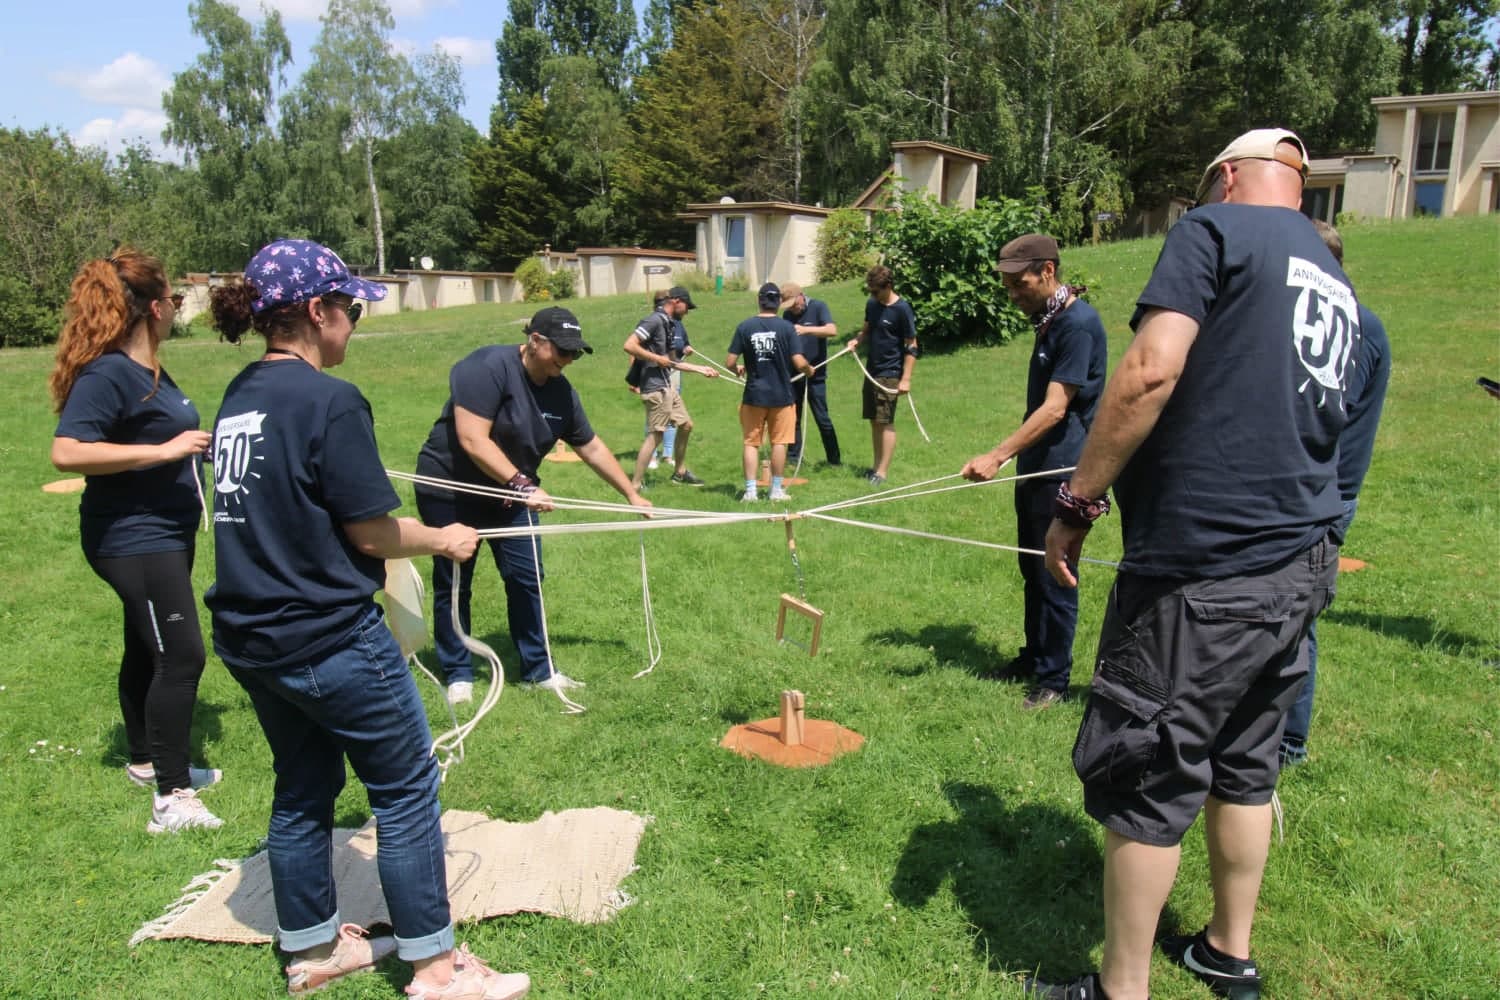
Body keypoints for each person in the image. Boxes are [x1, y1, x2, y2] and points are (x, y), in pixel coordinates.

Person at [1035, 129, 1354, 1000]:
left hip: (1204, 570)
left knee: (1147, 768)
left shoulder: (1213, 230)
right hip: (1299, 563)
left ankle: (1120, 988)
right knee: (1246, 762)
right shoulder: (1337, 282)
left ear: (1223, 177)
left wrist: (1077, 501)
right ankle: (1226, 949)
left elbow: (1146, 372)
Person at [206, 239, 529, 999]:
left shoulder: (240, 393)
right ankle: (435, 966)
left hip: (252, 639)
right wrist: (444, 536)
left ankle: (313, 949)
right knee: (407, 787)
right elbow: (374, 534)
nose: (355, 322)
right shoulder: (330, 400)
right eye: (349, 309)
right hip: (327, 636)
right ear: (316, 313)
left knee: (302, 786)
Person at [48, 247, 223, 835]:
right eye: (173, 298)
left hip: (162, 530)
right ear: (154, 307)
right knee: (182, 656)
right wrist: (166, 450)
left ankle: (149, 762)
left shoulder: (149, 370)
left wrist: (194, 445)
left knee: (145, 648)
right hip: (132, 537)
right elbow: (68, 450)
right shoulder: (108, 373)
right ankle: (172, 800)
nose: (176, 307)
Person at [417, 307, 652, 703]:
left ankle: (538, 670)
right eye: (563, 350)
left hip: (510, 496)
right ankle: (458, 672)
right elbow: (473, 439)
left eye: (576, 353)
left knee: (527, 578)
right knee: (456, 581)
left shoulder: (561, 391)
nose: (569, 359)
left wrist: (630, 493)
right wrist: (523, 485)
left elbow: (590, 446)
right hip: (452, 489)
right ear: (535, 340)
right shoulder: (486, 367)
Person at [961, 233, 1107, 711]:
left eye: (1019, 283)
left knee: (1054, 571)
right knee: (1031, 565)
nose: (1012, 294)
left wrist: (997, 454)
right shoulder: (1050, 320)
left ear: (1047, 271)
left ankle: (1054, 679)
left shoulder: (1077, 326)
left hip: (1064, 470)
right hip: (1037, 468)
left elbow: (1055, 410)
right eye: (1007, 285)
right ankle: (1034, 656)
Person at [1280, 219, 1391, 767]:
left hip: (1324, 496)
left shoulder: (1355, 327)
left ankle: (1289, 742)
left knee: (1297, 615)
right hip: (1306, 490)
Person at [726, 283, 813, 502]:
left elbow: (730, 362)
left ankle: (750, 491)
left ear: (759, 300)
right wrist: (808, 370)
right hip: (782, 395)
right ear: (778, 303)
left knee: (751, 443)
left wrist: (737, 369)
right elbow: (798, 361)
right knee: (779, 443)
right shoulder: (787, 328)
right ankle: (775, 491)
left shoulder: (744, 326)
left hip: (754, 394)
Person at [625, 286, 718, 490]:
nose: (687, 311)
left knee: (686, 425)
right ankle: (635, 485)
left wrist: (701, 369)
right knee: (656, 435)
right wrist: (657, 358)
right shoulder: (654, 320)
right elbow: (630, 345)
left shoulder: (668, 324)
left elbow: (673, 362)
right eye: (686, 306)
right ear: (675, 301)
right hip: (655, 388)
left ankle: (680, 472)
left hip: (667, 386)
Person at [847, 265, 917, 486]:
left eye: (876, 291)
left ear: (888, 286)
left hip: (890, 372)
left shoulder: (902, 309)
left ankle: (883, 472)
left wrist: (906, 378)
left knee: (885, 421)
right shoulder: (872, 305)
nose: (873, 295)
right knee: (874, 421)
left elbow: (912, 345)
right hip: (872, 369)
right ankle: (875, 466)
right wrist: (857, 340)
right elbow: (866, 330)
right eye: (870, 291)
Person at [781, 281, 841, 466]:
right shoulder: (787, 315)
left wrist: (806, 329)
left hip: (817, 376)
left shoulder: (818, 307)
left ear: (801, 296)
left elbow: (832, 330)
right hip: (795, 375)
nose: (793, 309)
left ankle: (834, 460)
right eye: (789, 306)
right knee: (794, 418)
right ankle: (793, 459)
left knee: (822, 418)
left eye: (794, 304)